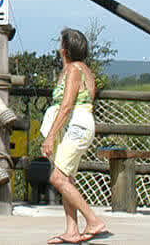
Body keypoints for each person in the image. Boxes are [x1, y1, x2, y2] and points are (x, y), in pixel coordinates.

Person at [41, 28, 107, 244]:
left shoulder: (74, 70)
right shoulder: (81, 68)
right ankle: (72, 229)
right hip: (80, 125)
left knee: (57, 178)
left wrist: (50, 137)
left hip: (76, 125)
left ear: (64, 49)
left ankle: (93, 220)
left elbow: (67, 105)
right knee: (67, 178)